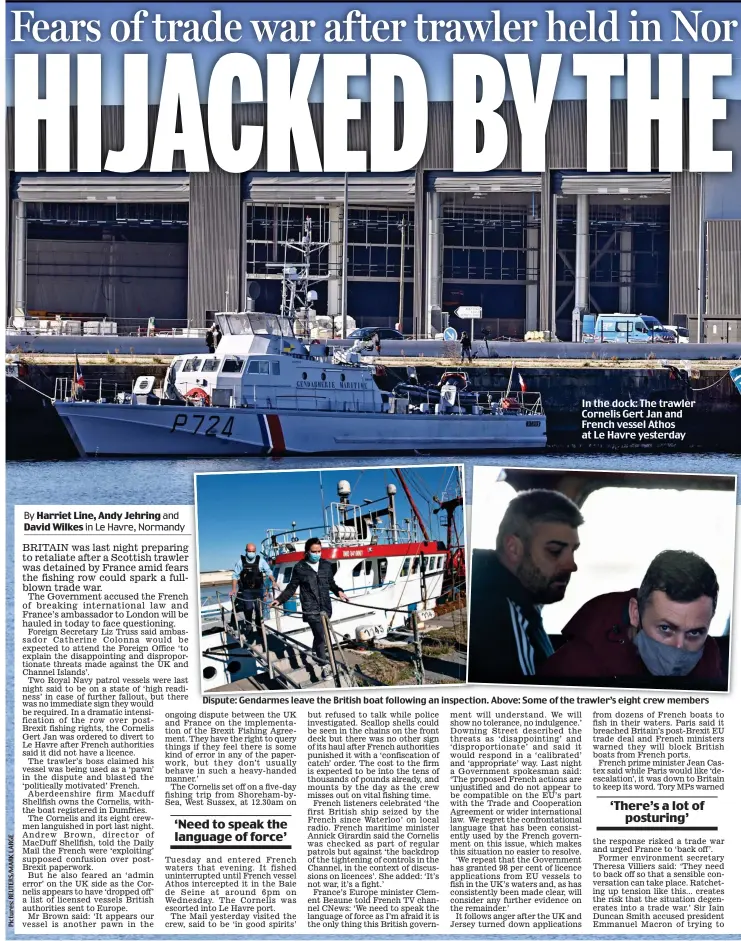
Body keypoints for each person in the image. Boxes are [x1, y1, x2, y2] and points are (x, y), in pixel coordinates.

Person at [537, 550, 724, 687]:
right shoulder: (575, 668)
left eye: (694, 633)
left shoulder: (709, 658)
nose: (678, 647)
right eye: (666, 629)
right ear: (635, 613)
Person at [468, 490, 583, 683]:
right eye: (555, 551)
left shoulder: (520, 599)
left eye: (573, 551)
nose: (571, 565)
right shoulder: (501, 617)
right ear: (513, 548)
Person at [271, 538, 348, 678]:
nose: (317, 554)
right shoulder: (300, 567)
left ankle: (316, 651)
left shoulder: (326, 565)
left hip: (325, 606)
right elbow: (291, 587)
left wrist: (339, 592)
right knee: (320, 634)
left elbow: (331, 583)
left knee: (319, 635)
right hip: (311, 607)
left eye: (319, 551)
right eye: (314, 551)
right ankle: (324, 666)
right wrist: (279, 600)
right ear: (307, 552)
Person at [231, 543, 277, 637]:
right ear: (246, 551)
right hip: (247, 590)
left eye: (253, 551)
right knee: (248, 608)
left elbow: (269, 572)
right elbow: (235, 576)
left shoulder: (261, 561)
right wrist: (233, 589)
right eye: (249, 551)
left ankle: (259, 625)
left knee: (259, 610)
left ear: (255, 551)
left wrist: (273, 581)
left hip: (258, 590)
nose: (251, 553)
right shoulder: (241, 562)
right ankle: (248, 625)